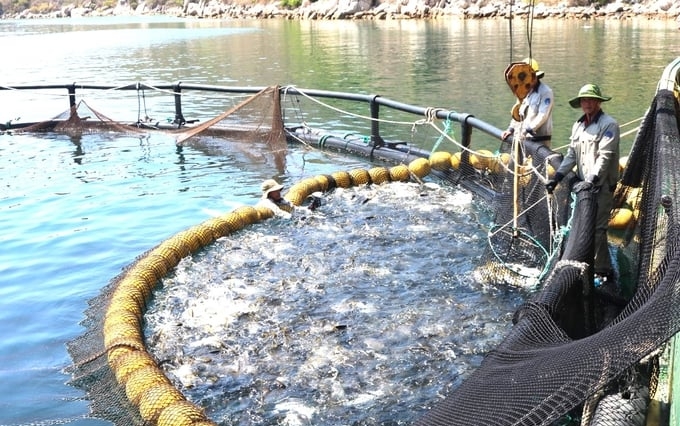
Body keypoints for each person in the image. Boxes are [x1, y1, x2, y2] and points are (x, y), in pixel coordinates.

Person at [545, 83, 620, 282]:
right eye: (584, 100)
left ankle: (603, 271)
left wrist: (591, 180)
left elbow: (605, 157)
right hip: (584, 187)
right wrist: (557, 178)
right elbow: (571, 155)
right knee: (583, 226)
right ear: (580, 104)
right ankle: (589, 265)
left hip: (601, 187)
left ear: (598, 102)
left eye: (590, 99)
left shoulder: (609, 125)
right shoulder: (578, 125)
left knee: (597, 228)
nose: (587, 103)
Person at [500, 58, 554, 147]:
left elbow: (543, 115)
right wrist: (510, 129)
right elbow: (519, 114)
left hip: (539, 141)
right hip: (522, 139)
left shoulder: (546, 92)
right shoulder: (524, 92)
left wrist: (528, 130)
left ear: (535, 76)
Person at [256, 179, 322, 219]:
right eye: (275, 191)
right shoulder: (266, 202)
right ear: (268, 193)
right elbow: (279, 213)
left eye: (278, 190)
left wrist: (308, 210)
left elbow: (293, 208)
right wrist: (297, 219)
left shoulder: (279, 199)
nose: (278, 192)